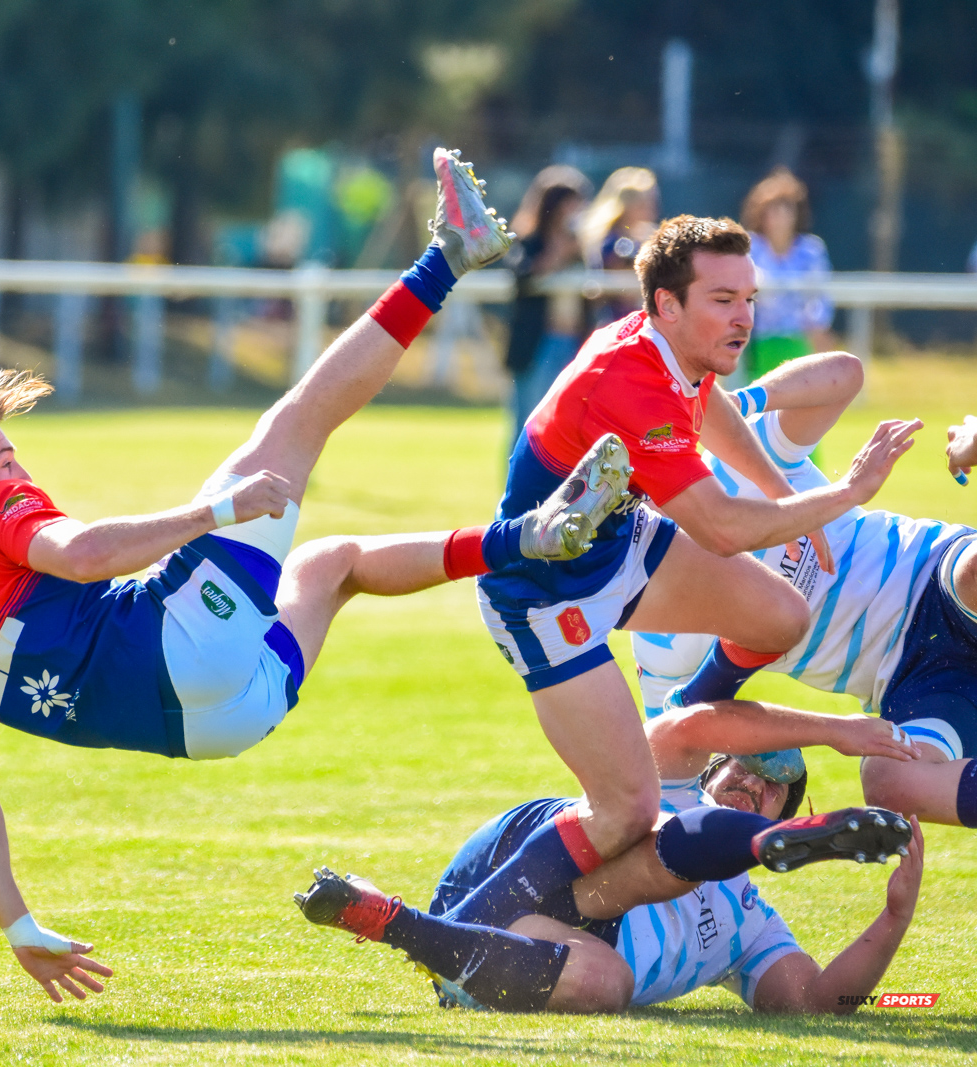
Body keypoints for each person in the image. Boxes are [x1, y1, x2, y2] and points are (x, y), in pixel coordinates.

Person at [0, 148, 632, 1002]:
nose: (19, 469)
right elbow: (82, 555)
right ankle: (451, 254)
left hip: (224, 724)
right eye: (5, 458)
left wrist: (18, 925)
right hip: (182, 643)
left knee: (333, 565)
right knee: (298, 417)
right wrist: (214, 512)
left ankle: (529, 537)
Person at [458, 215, 920, 975]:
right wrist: (844, 494)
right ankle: (469, 928)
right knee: (626, 811)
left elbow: (713, 409)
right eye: (723, 299)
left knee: (781, 614)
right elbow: (724, 527)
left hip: (615, 549)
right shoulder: (631, 379)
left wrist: (785, 493)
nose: (744, 317)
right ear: (667, 305)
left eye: (749, 298)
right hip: (542, 598)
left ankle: (691, 709)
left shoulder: (678, 350)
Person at [295, 696, 920, 1014]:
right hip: (527, 858)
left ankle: (389, 921)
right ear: (713, 768)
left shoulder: (752, 925)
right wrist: (834, 730)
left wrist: (894, 920)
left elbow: (814, 1002)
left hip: (516, 952)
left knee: (608, 983)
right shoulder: (669, 774)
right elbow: (692, 724)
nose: (755, 783)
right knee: (641, 820)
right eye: (746, 766)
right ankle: (755, 844)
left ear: (787, 813)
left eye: (775, 786)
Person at [634, 353, 977, 832]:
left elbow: (846, 374)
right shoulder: (659, 640)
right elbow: (666, 752)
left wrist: (733, 408)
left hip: (927, 579)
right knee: (890, 782)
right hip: (910, 681)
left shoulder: (739, 463)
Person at [503, 166, 592, 439]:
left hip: (575, 343)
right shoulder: (528, 242)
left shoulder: (582, 247)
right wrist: (557, 254)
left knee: (567, 426)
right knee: (528, 423)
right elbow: (523, 277)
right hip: (537, 345)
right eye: (570, 203)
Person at [741, 168, 834, 383]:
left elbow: (820, 297)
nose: (781, 218)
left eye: (786, 210)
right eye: (774, 211)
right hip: (756, 339)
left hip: (799, 338)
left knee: (799, 392)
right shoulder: (750, 247)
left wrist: (817, 327)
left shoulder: (811, 249)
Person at [580, 167, 659, 327]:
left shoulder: (647, 236)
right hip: (611, 319)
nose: (651, 209)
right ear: (626, 205)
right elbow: (620, 275)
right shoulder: (609, 240)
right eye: (643, 204)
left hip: (639, 318)